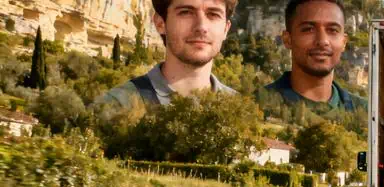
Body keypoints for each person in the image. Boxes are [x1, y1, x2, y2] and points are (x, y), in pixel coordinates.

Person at [95, 0, 238, 108]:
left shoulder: (239, 110)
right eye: (186, 12)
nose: (201, 27)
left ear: (226, 29)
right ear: (160, 23)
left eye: (213, 14)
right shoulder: (116, 106)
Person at [264, 0, 366, 112]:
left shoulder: (368, 114)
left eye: (332, 30)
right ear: (287, 40)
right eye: (308, 29)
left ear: (344, 42)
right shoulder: (253, 105)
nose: (322, 41)